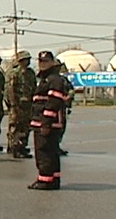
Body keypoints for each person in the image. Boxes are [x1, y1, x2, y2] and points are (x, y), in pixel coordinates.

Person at [28, 51, 68, 190]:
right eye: (40, 61)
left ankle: (45, 180)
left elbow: (53, 102)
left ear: (52, 62)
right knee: (51, 152)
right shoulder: (45, 79)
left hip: (47, 122)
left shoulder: (54, 79)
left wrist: (46, 122)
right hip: (44, 121)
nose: (42, 64)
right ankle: (53, 179)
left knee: (44, 152)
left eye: (45, 61)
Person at [4, 50, 36, 158]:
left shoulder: (30, 73)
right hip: (17, 104)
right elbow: (10, 90)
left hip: (28, 104)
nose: (26, 62)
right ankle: (15, 147)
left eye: (28, 60)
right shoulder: (14, 73)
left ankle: (22, 146)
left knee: (26, 126)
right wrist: (13, 104)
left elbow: (34, 88)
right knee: (15, 126)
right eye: (24, 60)